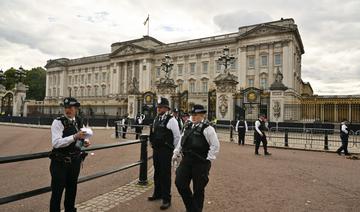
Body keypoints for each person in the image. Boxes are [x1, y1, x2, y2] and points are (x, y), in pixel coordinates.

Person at [172, 104, 220, 212]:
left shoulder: (208, 129)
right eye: (192, 114)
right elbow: (181, 140)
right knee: (180, 183)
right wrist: (176, 152)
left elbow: (215, 145)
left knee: (198, 189)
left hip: (200, 162)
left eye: (196, 114)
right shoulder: (188, 126)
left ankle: (196, 210)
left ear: (202, 115)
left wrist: (209, 159)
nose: (193, 116)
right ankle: (191, 208)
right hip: (186, 160)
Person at [49, 97, 92, 212]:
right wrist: (75, 137)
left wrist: (85, 141)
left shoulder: (78, 120)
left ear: (76, 108)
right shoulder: (58, 122)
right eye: (66, 107)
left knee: (72, 191)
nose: (68, 110)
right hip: (60, 163)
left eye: (71, 108)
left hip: (75, 162)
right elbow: (56, 143)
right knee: (57, 193)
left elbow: (82, 137)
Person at [148, 97, 181, 210]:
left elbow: (177, 137)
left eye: (161, 107)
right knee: (157, 173)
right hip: (157, 150)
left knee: (165, 175)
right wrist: (151, 142)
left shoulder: (171, 120)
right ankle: (157, 193)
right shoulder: (156, 119)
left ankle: (167, 199)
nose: (159, 109)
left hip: (166, 151)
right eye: (158, 107)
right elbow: (153, 132)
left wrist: (175, 151)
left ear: (166, 108)